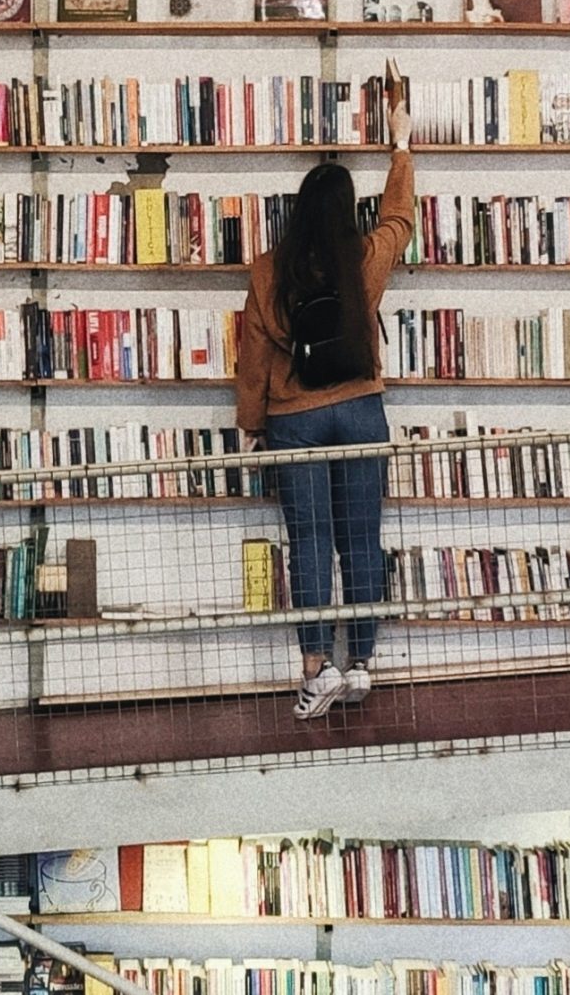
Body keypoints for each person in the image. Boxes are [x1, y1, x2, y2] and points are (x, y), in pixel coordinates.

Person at [236, 94, 415, 720]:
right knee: (362, 541)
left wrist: (251, 426)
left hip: (295, 418)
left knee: (308, 541)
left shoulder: (267, 271)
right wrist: (400, 145)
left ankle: (317, 670)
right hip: (362, 411)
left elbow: (253, 354)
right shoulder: (362, 260)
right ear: (345, 212)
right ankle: (362, 666)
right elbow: (399, 220)